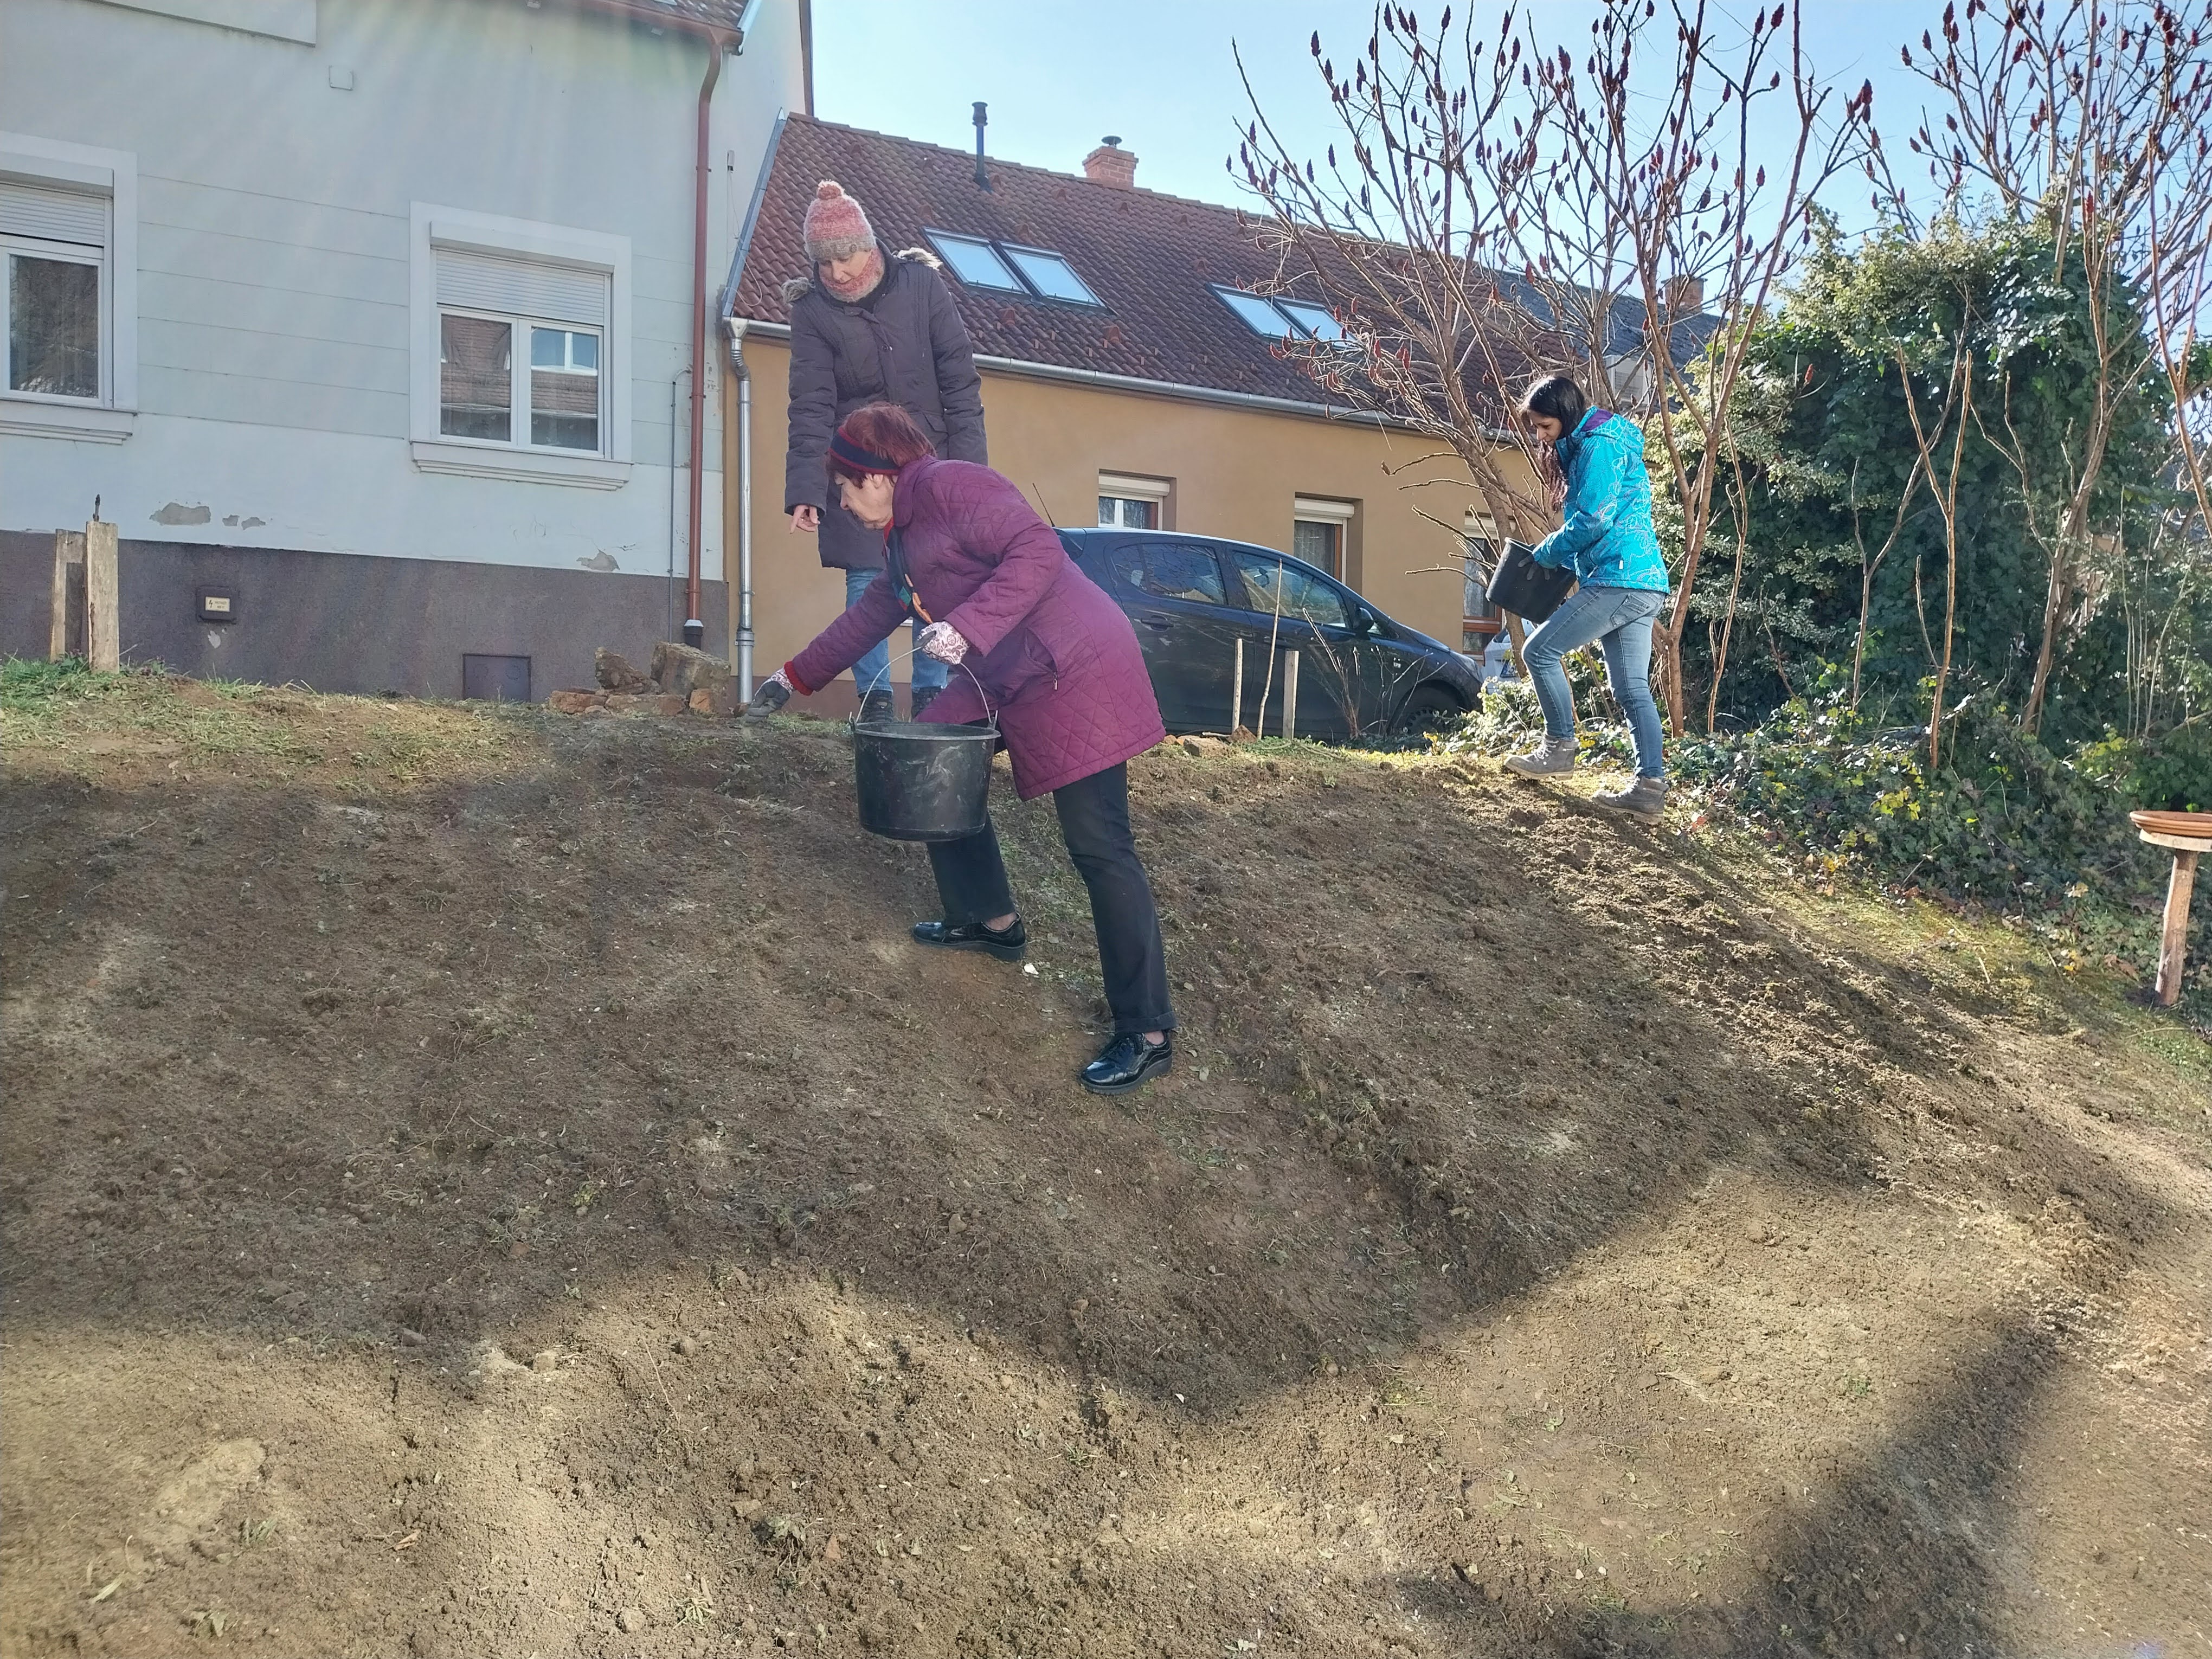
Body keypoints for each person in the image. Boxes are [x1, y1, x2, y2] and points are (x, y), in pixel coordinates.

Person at [749, 404, 1177, 1095]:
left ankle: (1148, 1031)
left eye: (847, 486)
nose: (843, 501)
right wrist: (791, 678)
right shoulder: (903, 538)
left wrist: (968, 626)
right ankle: (989, 919)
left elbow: (1038, 550)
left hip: (1075, 666)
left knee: (1100, 847)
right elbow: (869, 617)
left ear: (879, 476)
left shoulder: (955, 486)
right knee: (928, 758)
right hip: (1005, 672)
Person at [783, 181, 987, 721]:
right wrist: (807, 488)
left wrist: (969, 475)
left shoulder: (921, 285)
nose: (837, 273)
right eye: (825, 263)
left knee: (935, 573)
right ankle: (874, 700)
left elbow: (960, 384)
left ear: (868, 246)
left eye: (845, 257)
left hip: (931, 458)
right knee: (864, 578)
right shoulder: (813, 311)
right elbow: (810, 404)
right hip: (857, 466)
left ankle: (931, 695)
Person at [1503, 374, 1672, 816]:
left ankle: (1559, 747)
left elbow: (1594, 519)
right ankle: (1650, 787)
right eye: (1536, 428)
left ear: (1566, 413)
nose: (1540, 436)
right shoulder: (1594, 442)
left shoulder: (1599, 447)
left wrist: (1548, 551)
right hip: (1641, 580)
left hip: (1619, 578)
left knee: (1539, 651)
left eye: (1545, 426)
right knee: (1631, 688)